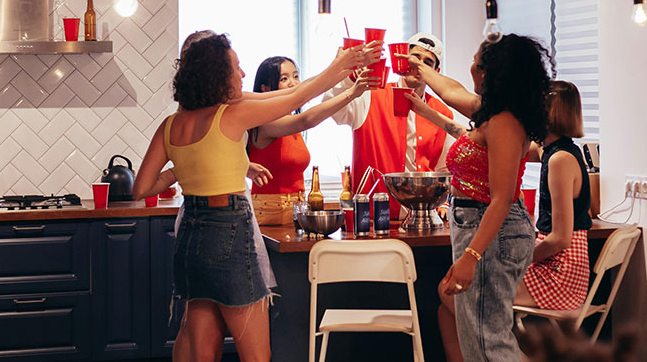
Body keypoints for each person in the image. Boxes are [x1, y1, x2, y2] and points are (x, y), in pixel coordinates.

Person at [132, 32, 378, 362]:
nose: (243, 74)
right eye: (236, 67)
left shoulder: (171, 124)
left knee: (202, 347)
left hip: (190, 234)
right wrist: (341, 65)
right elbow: (297, 100)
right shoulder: (231, 116)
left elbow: (142, 189)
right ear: (218, 76)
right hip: (227, 230)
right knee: (257, 356)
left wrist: (183, 170)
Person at [400, 34, 552, 361]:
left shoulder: (505, 121)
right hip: (480, 225)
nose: (471, 67)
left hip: (489, 229)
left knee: (487, 342)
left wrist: (471, 256)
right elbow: (451, 90)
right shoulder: (492, 111)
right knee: (478, 339)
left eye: (476, 62)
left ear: (490, 72)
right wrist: (419, 69)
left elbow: (500, 199)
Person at [322, 32, 454, 219]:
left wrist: (445, 204)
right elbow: (330, 106)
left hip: (424, 219)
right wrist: (349, 78)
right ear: (401, 59)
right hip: (372, 219)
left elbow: (445, 169)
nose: (418, 65)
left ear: (436, 73)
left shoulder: (441, 113)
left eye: (427, 62)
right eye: (414, 57)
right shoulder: (370, 94)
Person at [248, 56, 376, 225]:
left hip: (297, 210)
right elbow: (306, 120)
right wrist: (351, 93)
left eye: (295, 76)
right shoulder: (264, 122)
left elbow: (313, 85)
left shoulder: (290, 122)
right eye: (284, 79)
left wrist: (345, 70)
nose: (293, 84)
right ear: (264, 88)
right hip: (268, 214)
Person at [514, 80, 592, 310]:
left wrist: (518, 261)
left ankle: (504, 347)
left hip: (560, 270)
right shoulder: (551, 150)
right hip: (554, 262)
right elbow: (507, 148)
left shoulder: (560, 160)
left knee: (472, 295)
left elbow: (560, 238)